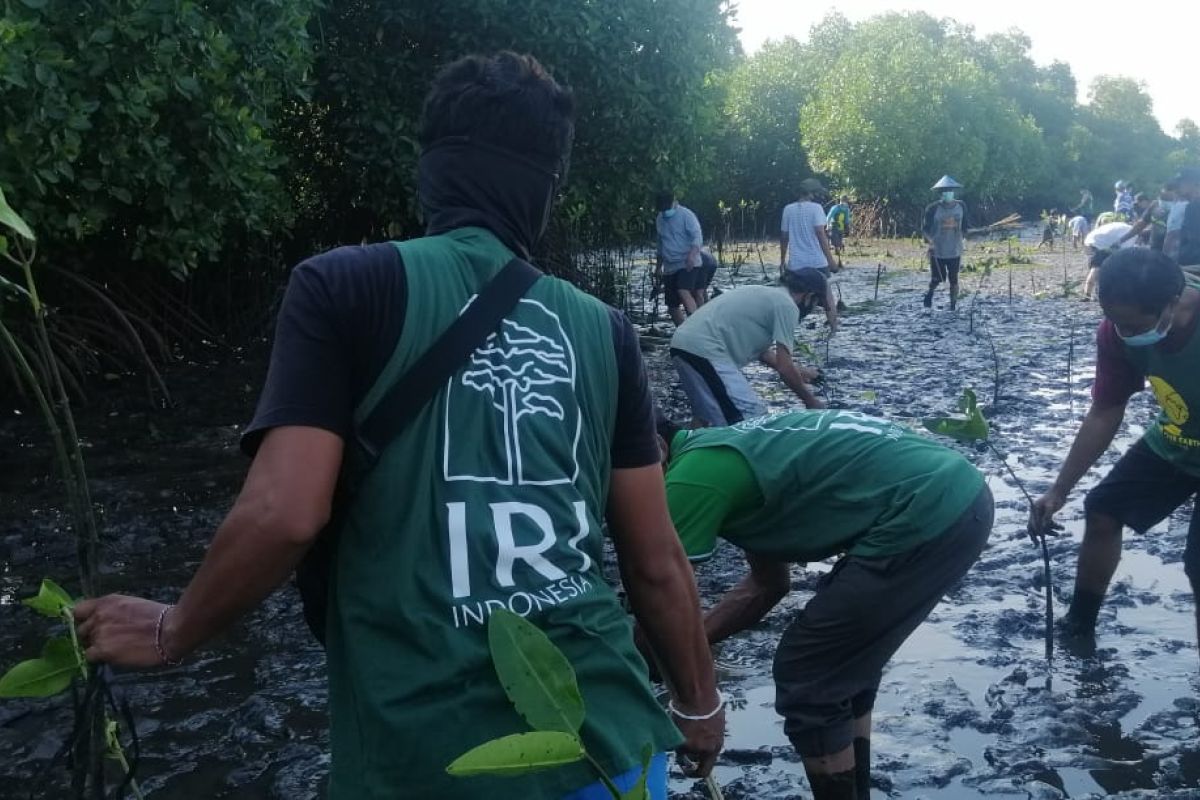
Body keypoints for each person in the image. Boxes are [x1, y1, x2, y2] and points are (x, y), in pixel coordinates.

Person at [71, 52, 724, 799]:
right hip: (613, 747)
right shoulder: (604, 331)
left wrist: (173, 629)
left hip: (427, 761)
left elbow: (286, 513)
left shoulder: (344, 285)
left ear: (432, 173)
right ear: (546, 189)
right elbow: (655, 562)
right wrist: (698, 704)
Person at [657, 410, 993, 800]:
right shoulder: (727, 452)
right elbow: (766, 586)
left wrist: (682, 689)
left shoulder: (688, 480)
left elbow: (657, 604)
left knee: (809, 674)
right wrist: (684, 648)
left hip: (928, 509)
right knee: (844, 666)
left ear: (659, 448)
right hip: (959, 494)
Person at [1030, 249, 1200, 657]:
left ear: (1172, 304)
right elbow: (1106, 410)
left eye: (1132, 324)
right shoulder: (1115, 333)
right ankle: (1079, 625)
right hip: (1179, 437)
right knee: (1104, 509)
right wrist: (1059, 489)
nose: (1122, 332)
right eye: (1115, 320)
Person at [670, 270, 830, 426]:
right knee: (752, 420)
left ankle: (681, 449)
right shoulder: (787, 306)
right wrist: (812, 402)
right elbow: (784, 369)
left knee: (706, 418)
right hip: (704, 351)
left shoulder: (767, 294)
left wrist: (802, 372)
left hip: (683, 345)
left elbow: (765, 354)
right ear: (809, 296)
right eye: (817, 304)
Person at [655, 190, 705, 326]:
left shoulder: (686, 215)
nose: (665, 212)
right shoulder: (660, 218)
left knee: (683, 290)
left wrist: (691, 256)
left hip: (688, 263)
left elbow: (697, 236)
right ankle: (682, 332)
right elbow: (660, 244)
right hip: (670, 266)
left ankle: (697, 326)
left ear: (674, 202)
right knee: (672, 305)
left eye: (667, 208)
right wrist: (658, 267)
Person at [922, 175, 968, 310]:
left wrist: (969, 233)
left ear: (954, 192)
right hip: (938, 250)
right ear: (940, 194)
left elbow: (965, 227)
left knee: (954, 279)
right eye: (944, 191)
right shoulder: (932, 208)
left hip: (954, 249)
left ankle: (953, 305)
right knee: (937, 279)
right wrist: (930, 242)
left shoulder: (961, 206)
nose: (947, 193)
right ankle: (930, 294)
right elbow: (924, 229)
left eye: (950, 191)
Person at [1082, 220, 1135, 300]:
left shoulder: (1130, 228)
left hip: (1093, 239)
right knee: (1097, 268)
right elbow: (1124, 255)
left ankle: (1094, 293)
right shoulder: (1134, 236)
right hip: (1098, 243)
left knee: (1098, 268)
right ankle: (1087, 294)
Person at [1118, 181, 1178, 252]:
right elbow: (1139, 225)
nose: (1164, 202)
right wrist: (1120, 241)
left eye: (1167, 199)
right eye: (1162, 198)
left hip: (1173, 254)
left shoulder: (1183, 210)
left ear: (1177, 196)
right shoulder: (1155, 205)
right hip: (1154, 250)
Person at [1165, 166, 1200, 275]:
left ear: (1192, 182)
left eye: (1181, 183)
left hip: (1193, 269)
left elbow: (1194, 242)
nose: (1178, 187)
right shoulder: (1192, 205)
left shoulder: (1194, 206)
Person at [825, 196, 852, 265]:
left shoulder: (846, 209)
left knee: (839, 243)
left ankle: (838, 259)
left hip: (841, 228)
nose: (845, 202)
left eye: (846, 201)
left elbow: (846, 219)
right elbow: (829, 217)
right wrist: (828, 226)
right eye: (844, 201)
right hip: (833, 227)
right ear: (841, 200)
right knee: (835, 243)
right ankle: (835, 260)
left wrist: (848, 227)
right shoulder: (835, 208)